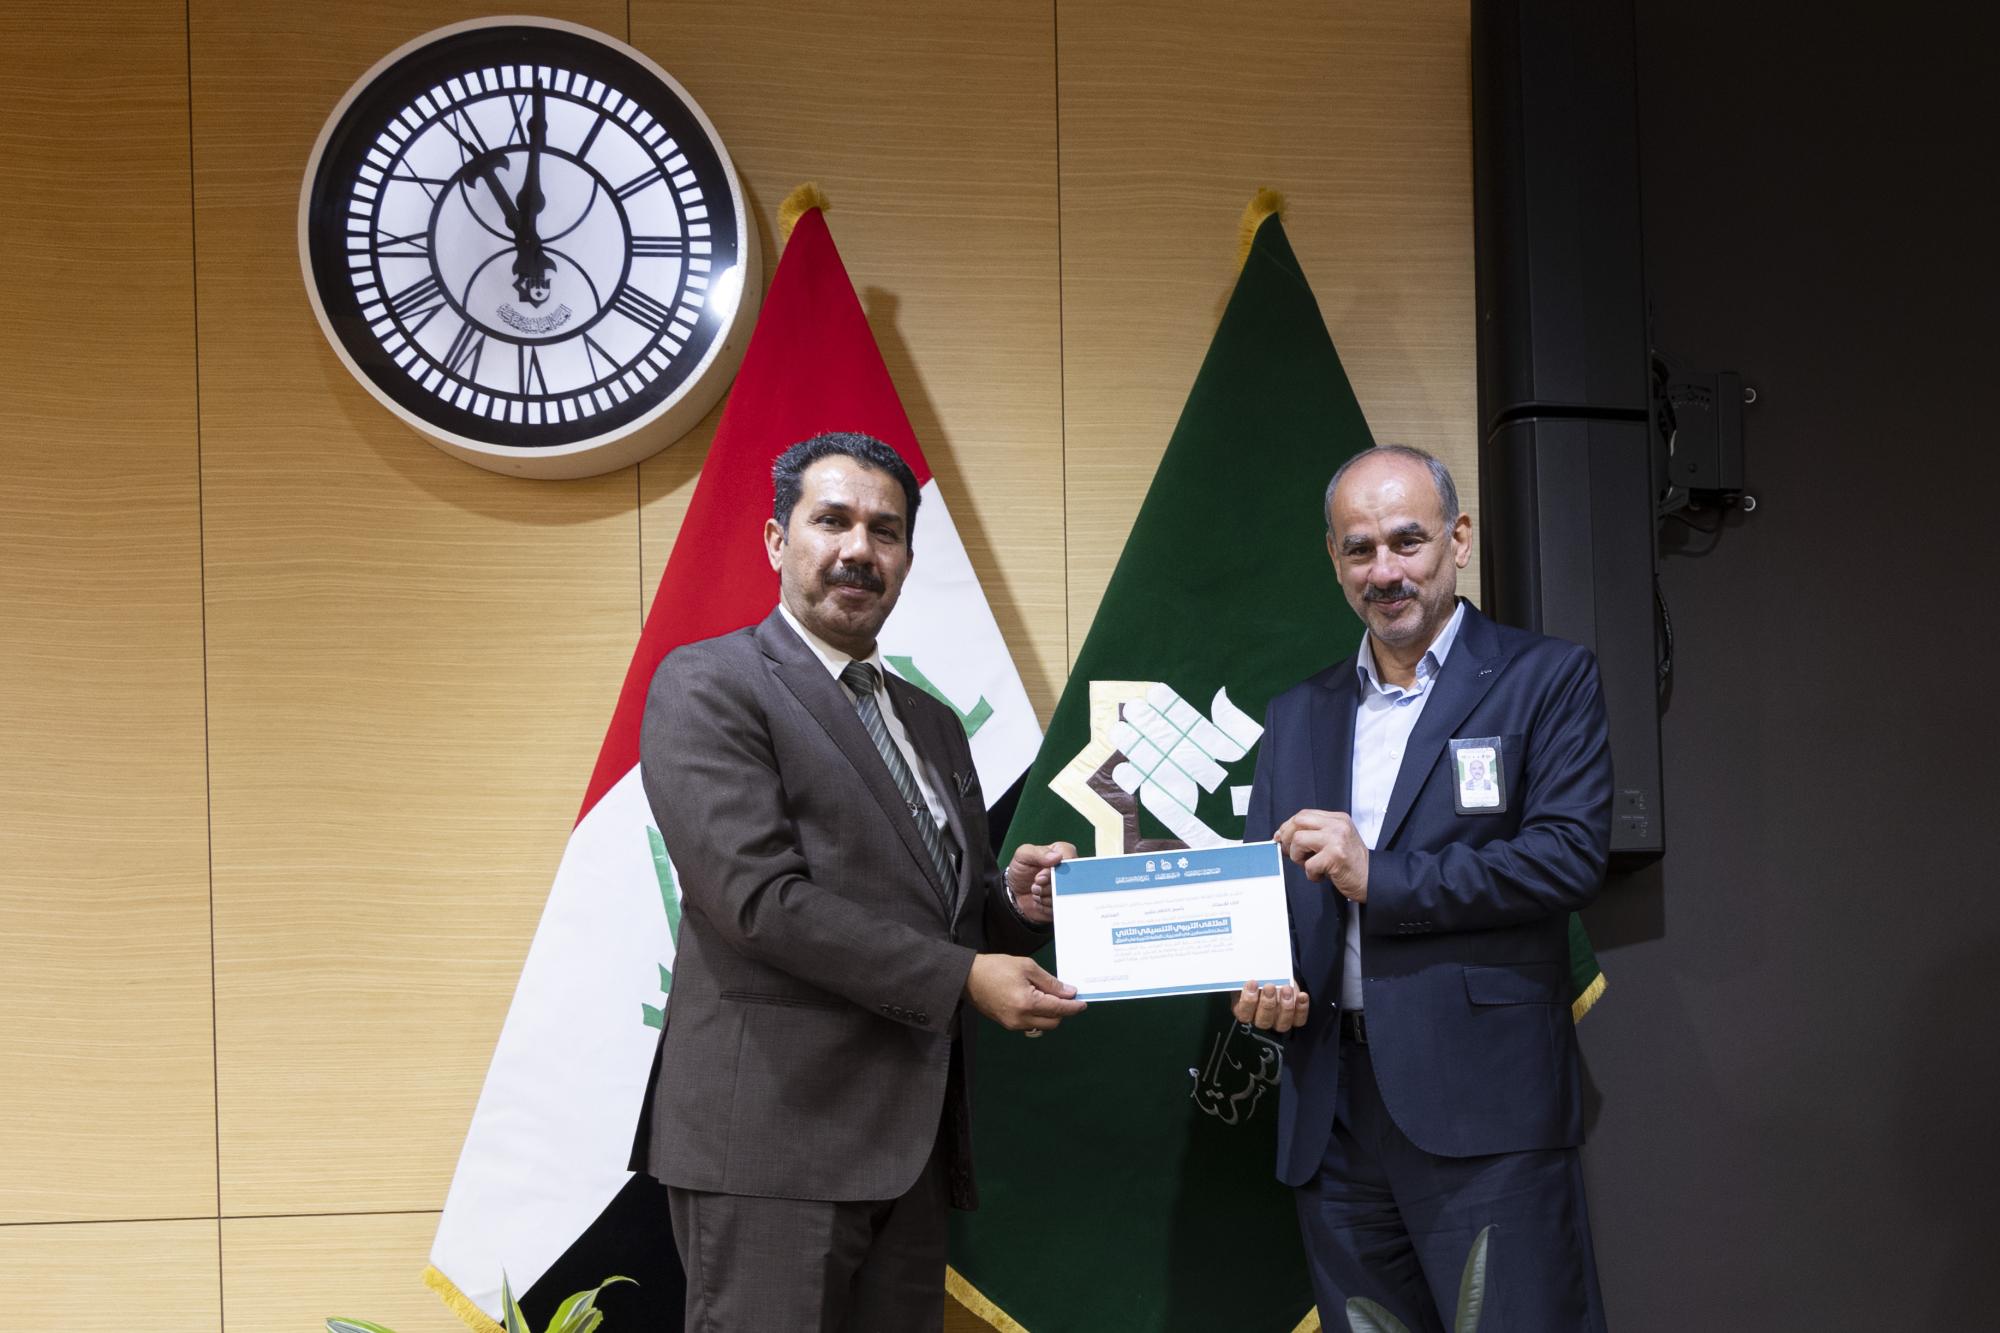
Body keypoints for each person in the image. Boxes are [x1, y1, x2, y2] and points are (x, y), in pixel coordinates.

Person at [629, 431, 1086, 1330]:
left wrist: (1010, 904)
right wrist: (963, 976)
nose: (859, 549)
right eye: (831, 520)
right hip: (770, 1143)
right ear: (776, 539)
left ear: (908, 556)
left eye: (885, 530)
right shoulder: (710, 684)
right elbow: (760, 902)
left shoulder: (930, 721)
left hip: (907, 1148)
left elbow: (931, 908)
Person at [1233, 444, 1612, 1331]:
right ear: (1335, 560)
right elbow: (1264, 890)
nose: (1385, 570)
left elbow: (1565, 856)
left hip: (1485, 1110)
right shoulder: (1299, 711)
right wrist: (1258, 983)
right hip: (1332, 1113)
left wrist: (1381, 875)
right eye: (1360, 549)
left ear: (1459, 539)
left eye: (1408, 541)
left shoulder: (1546, 678)